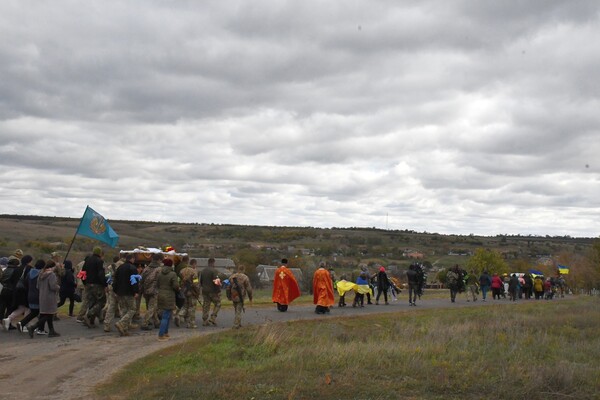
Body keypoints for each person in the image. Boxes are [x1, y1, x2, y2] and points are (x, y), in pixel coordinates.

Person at [27, 260, 61, 338]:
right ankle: (33, 327)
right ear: (52, 267)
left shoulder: (41, 273)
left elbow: (37, 286)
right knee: (49, 314)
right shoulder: (51, 275)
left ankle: (51, 331)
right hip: (50, 297)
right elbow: (53, 286)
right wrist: (58, 287)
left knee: (46, 314)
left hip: (42, 296)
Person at [112, 253, 140, 336]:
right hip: (129, 292)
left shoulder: (120, 267)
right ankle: (121, 323)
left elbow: (115, 280)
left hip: (120, 292)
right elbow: (134, 282)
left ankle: (124, 329)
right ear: (131, 259)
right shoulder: (133, 268)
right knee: (132, 309)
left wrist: (115, 290)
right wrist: (136, 291)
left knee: (123, 309)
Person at [3, 255, 33, 331]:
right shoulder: (29, 269)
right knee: (27, 308)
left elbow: (11, 280)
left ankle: (8, 319)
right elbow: (30, 281)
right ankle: (24, 324)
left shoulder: (17, 269)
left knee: (21, 308)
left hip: (16, 291)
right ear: (29, 261)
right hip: (25, 291)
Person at [81, 246, 107, 328]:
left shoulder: (87, 260)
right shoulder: (100, 261)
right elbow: (101, 274)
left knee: (92, 302)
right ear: (99, 253)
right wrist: (105, 284)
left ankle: (91, 322)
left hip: (88, 284)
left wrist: (85, 282)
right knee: (101, 302)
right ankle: (88, 315)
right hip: (97, 284)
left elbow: (82, 273)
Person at [18, 259, 45, 334]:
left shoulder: (30, 273)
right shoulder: (41, 274)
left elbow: (25, 283)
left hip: (30, 294)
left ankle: (38, 327)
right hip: (38, 295)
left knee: (35, 312)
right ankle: (38, 328)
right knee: (39, 312)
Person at [157, 258, 179, 341]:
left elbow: (157, 284)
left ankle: (165, 333)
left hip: (160, 294)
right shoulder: (173, 274)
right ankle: (161, 335)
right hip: (169, 296)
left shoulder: (159, 273)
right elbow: (175, 286)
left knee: (166, 314)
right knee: (166, 316)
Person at [140, 253, 162, 330]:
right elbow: (160, 281)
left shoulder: (146, 268)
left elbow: (141, 279)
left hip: (146, 290)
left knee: (151, 307)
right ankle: (144, 323)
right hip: (154, 291)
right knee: (152, 308)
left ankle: (157, 322)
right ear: (159, 260)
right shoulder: (159, 269)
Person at [227, 264, 253, 329]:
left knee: (236, 310)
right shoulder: (245, 277)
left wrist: (228, 296)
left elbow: (228, 287)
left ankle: (239, 323)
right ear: (243, 269)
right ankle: (236, 325)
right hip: (240, 296)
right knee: (238, 310)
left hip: (233, 295)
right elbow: (249, 289)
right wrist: (250, 298)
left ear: (238, 269)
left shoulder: (232, 277)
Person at [178, 258, 200, 328]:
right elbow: (196, 283)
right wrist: (197, 292)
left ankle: (180, 315)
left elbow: (180, 281)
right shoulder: (194, 272)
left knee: (185, 305)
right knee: (192, 307)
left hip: (184, 291)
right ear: (194, 264)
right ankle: (191, 323)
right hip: (192, 292)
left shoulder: (182, 271)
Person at [200, 257, 222, 326]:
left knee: (206, 305)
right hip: (212, 291)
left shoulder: (203, 271)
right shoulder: (214, 271)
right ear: (213, 263)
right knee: (218, 303)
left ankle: (204, 320)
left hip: (204, 291)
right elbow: (216, 282)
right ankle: (213, 317)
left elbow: (200, 281)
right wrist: (218, 290)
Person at [0, 254, 22, 320]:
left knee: (2, 306)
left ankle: (1, 319)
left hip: (4, 289)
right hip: (11, 290)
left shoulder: (5, 270)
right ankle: (7, 320)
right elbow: (16, 282)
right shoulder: (16, 271)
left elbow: (1, 279)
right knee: (10, 307)